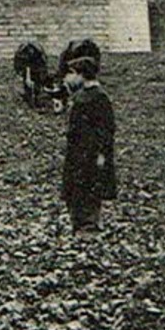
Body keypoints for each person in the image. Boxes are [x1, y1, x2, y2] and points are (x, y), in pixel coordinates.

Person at [60, 56, 116, 234]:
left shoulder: (99, 97)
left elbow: (107, 129)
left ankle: (90, 223)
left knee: (91, 185)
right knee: (76, 186)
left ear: (81, 75)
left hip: (91, 151)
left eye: (72, 73)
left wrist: (102, 153)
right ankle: (78, 222)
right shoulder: (80, 96)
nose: (69, 78)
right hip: (77, 151)